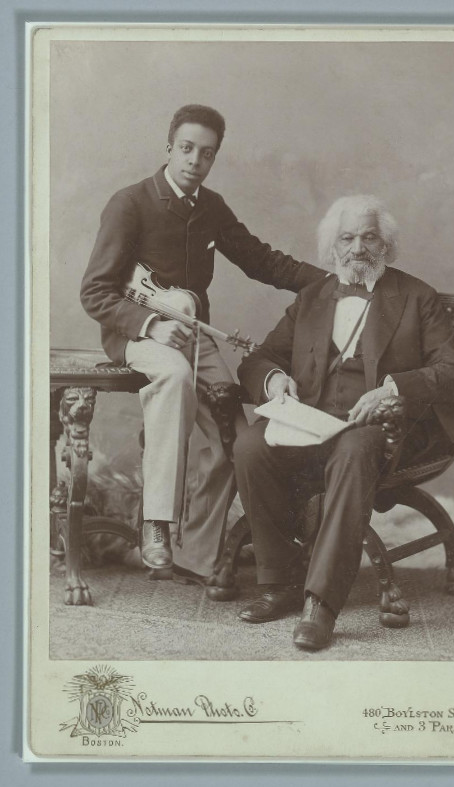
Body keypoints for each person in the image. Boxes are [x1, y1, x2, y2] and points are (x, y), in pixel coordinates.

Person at [80, 104, 324, 580]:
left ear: (214, 160)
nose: (195, 160)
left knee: (235, 436)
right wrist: (150, 326)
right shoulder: (129, 203)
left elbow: (260, 260)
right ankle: (157, 523)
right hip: (138, 336)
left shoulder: (211, 207)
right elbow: (94, 292)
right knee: (173, 375)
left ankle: (195, 556)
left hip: (195, 337)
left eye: (207, 154)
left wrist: (327, 282)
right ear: (169, 147)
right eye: (187, 148)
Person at [233, 194, 454, 650]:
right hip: (311, 422)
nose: (357, 247)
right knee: (250, 446)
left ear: (386, 245)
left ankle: (319, 605)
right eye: (347, 237)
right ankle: (279, 583)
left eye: (369, 237)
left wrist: (394, 389)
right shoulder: (313, 297)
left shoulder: (416, 297)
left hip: (381, 429)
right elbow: (260, 357)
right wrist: (275, 382)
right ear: (332, 247)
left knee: (353, 451)